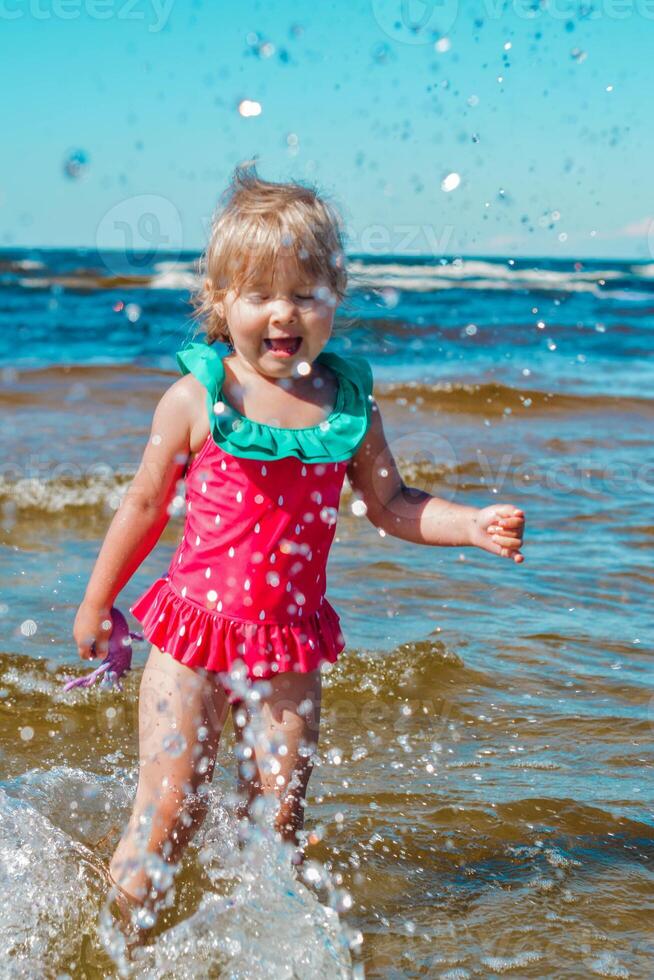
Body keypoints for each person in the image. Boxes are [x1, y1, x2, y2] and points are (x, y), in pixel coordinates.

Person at [73, 164, 525, 936]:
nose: (284, 313)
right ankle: (118, 941)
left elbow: (391, 504)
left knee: (275, 826)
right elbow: (145, 504)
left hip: (288, 648)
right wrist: (95, 600)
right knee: (170, 809)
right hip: (189, 641)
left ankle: (247, 946)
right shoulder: (199, 398)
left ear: (334, 300)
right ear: (220, 303)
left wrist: (468, 524)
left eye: (305, 293)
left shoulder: (348, 405)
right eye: (261, 295)